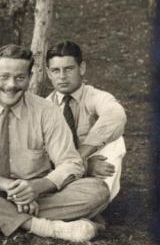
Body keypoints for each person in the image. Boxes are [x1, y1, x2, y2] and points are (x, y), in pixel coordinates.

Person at [0, 44, 110, 243]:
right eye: (4, 76)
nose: (11, 85)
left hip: (37, 196)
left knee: (97, 190)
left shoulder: (46, 111)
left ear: (29, 77)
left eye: (20, 77)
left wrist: (35, 187)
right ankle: (43, 226)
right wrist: (6, 186)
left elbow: (70, 163)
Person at [45, 40, 126, 201]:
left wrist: (82, 155)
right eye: (55, 70)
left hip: (90, 160)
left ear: (81, 68)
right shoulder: (44, 106)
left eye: (68, 69)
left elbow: (116, 114)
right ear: (48, 73)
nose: (62, 77)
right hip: (61, 168)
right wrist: (86, 166)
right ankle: (81, 208)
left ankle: (95, 202)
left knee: (116, 140)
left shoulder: (94, 96)